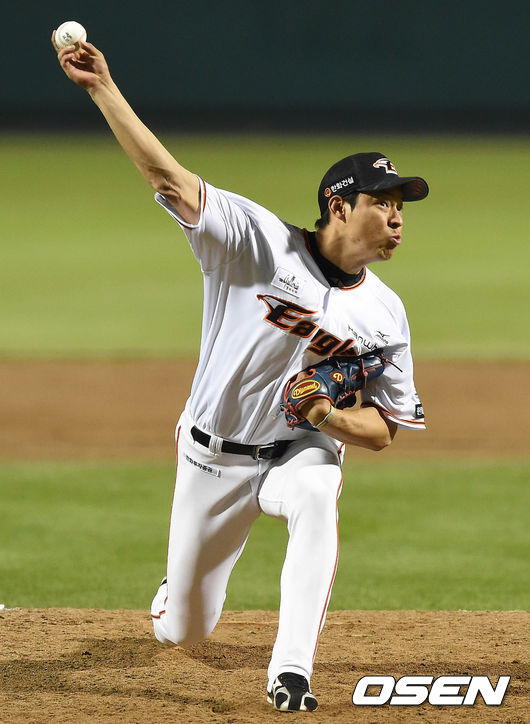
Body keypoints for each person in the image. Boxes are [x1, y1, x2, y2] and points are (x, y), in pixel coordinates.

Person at [53, 35, 427, 713]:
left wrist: (329, 418)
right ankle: (175, 595)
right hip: (212, 456)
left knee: (319, 491)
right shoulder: (257, 242)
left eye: (402, 203)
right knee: (184, 629)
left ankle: (292, 672)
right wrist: (102, 87)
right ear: (339, 206)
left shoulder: (386, 312)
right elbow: (169, 180)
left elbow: (384, 430)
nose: (397, 215)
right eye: (383, 201)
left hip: (297, 450)